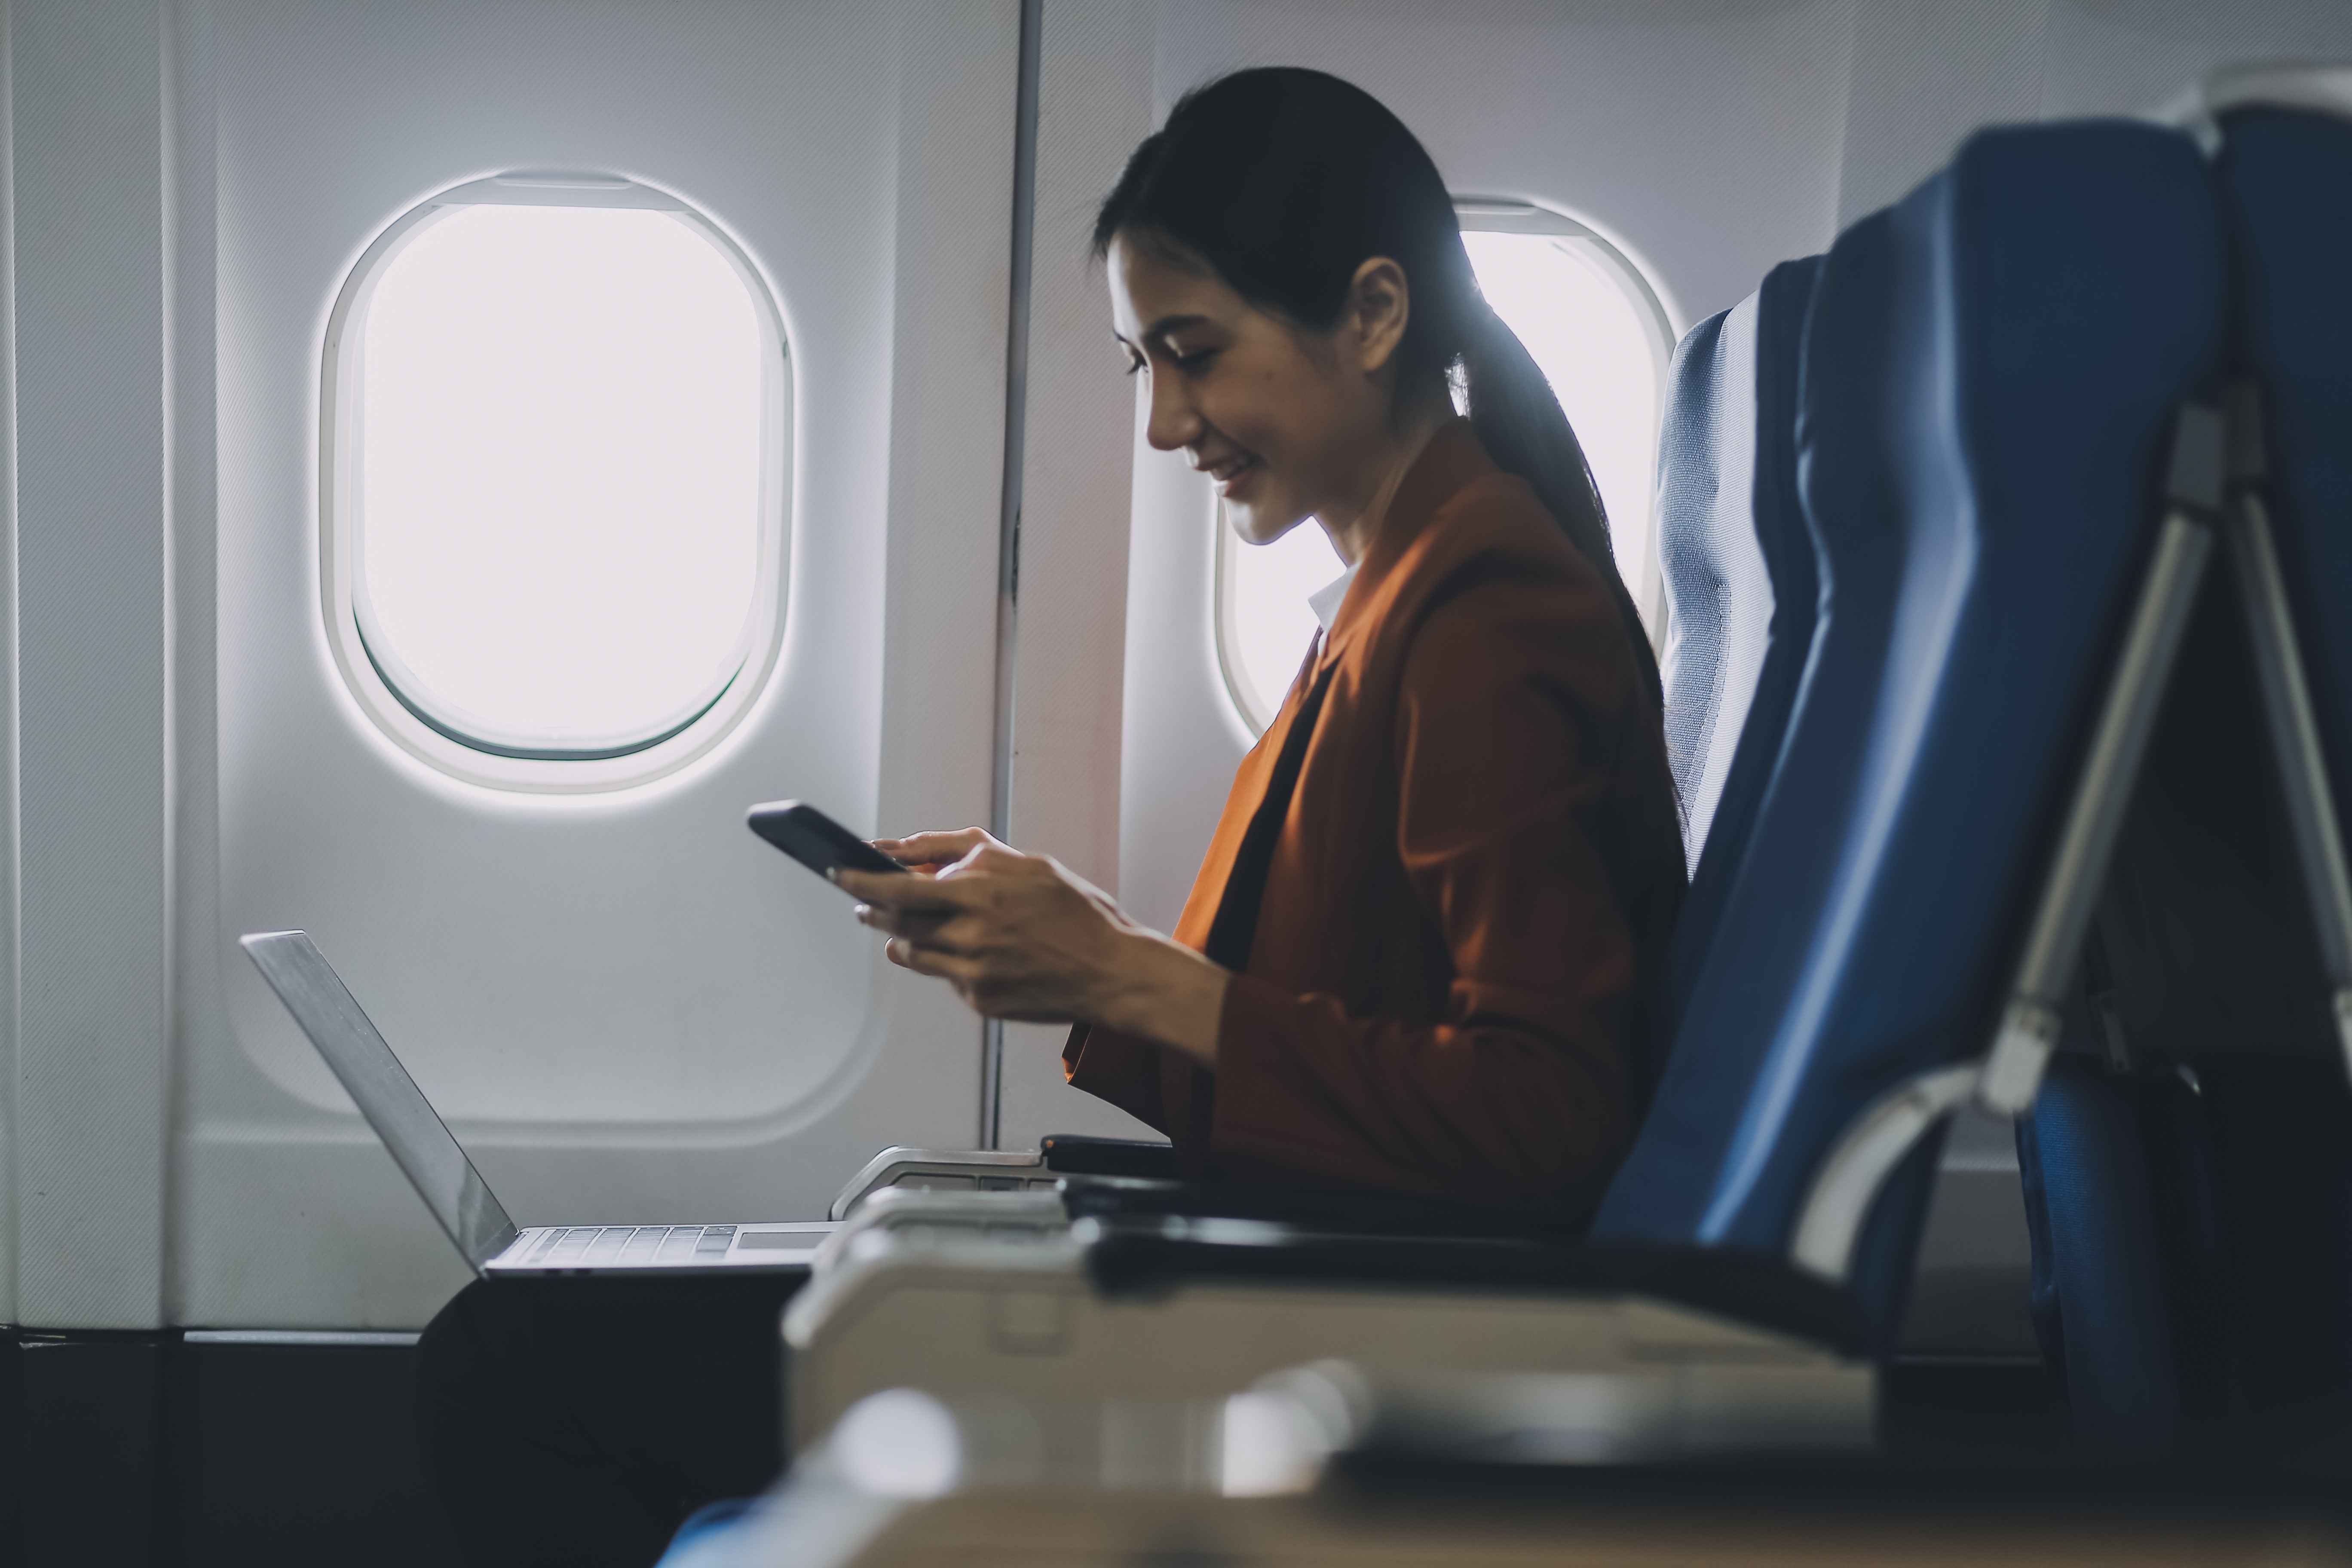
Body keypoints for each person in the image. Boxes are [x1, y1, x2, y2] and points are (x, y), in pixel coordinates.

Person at [421, 65, 1684, 1568]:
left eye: (1196, 355)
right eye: (1142, 362)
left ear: (1373, 316)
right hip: (1277, 1289)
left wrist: (1122, 974)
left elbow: (1546, 1120)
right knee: (536, 1339)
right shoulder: (1392, 595)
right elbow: (1344, 1018)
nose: (1163, 424)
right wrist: (1084, 947)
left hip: (1336, 1353)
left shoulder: (1483, 611)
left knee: (516, 1366)